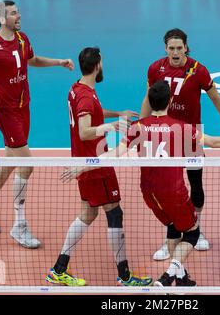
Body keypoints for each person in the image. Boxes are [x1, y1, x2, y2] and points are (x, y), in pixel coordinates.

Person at [68, 80, 220, 286]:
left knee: (172, 227)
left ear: (150, 103)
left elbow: (112, 154)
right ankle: (169, 273)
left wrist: (82, 166)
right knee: (192, 233)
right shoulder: (180, 128)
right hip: (174, 192)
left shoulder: (138, 127)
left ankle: (181, 278)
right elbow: (214, 142)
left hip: (149, 193)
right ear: (170, 101)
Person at [0, 0, 75, 249]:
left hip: (24, 105)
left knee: (12, 159)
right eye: (14, 13)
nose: (19, 16)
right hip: (4, 109)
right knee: (27, 164)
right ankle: (19, 225)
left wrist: (58, 62)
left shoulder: (22, 39)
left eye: (18, 12)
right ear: (2, 19)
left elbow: (31, 60)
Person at [45, 47, 152, 286]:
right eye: (102, 63)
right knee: (114, 212)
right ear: (96, 66)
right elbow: (84, 132)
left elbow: (94, 113)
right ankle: (125, 276)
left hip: (86, 162)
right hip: (94, 163)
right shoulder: (85, 96)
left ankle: (58, 268)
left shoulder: (78, 89)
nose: (103, 66)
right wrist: (110, 128)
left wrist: (117, 114)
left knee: (89, 212)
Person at [140, 28, 220, 260]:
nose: (175, 52)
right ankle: (170, 240)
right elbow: (148, 97)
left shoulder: (198, 70)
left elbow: (216, 98)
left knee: (195, 183)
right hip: (165, 135)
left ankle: (197, 229)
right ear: (165, 48)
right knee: (168, 189)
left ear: (186, 47)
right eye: (171, 48)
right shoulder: (155, 68)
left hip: (190, 136)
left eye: (180, 48)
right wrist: (142, 126)